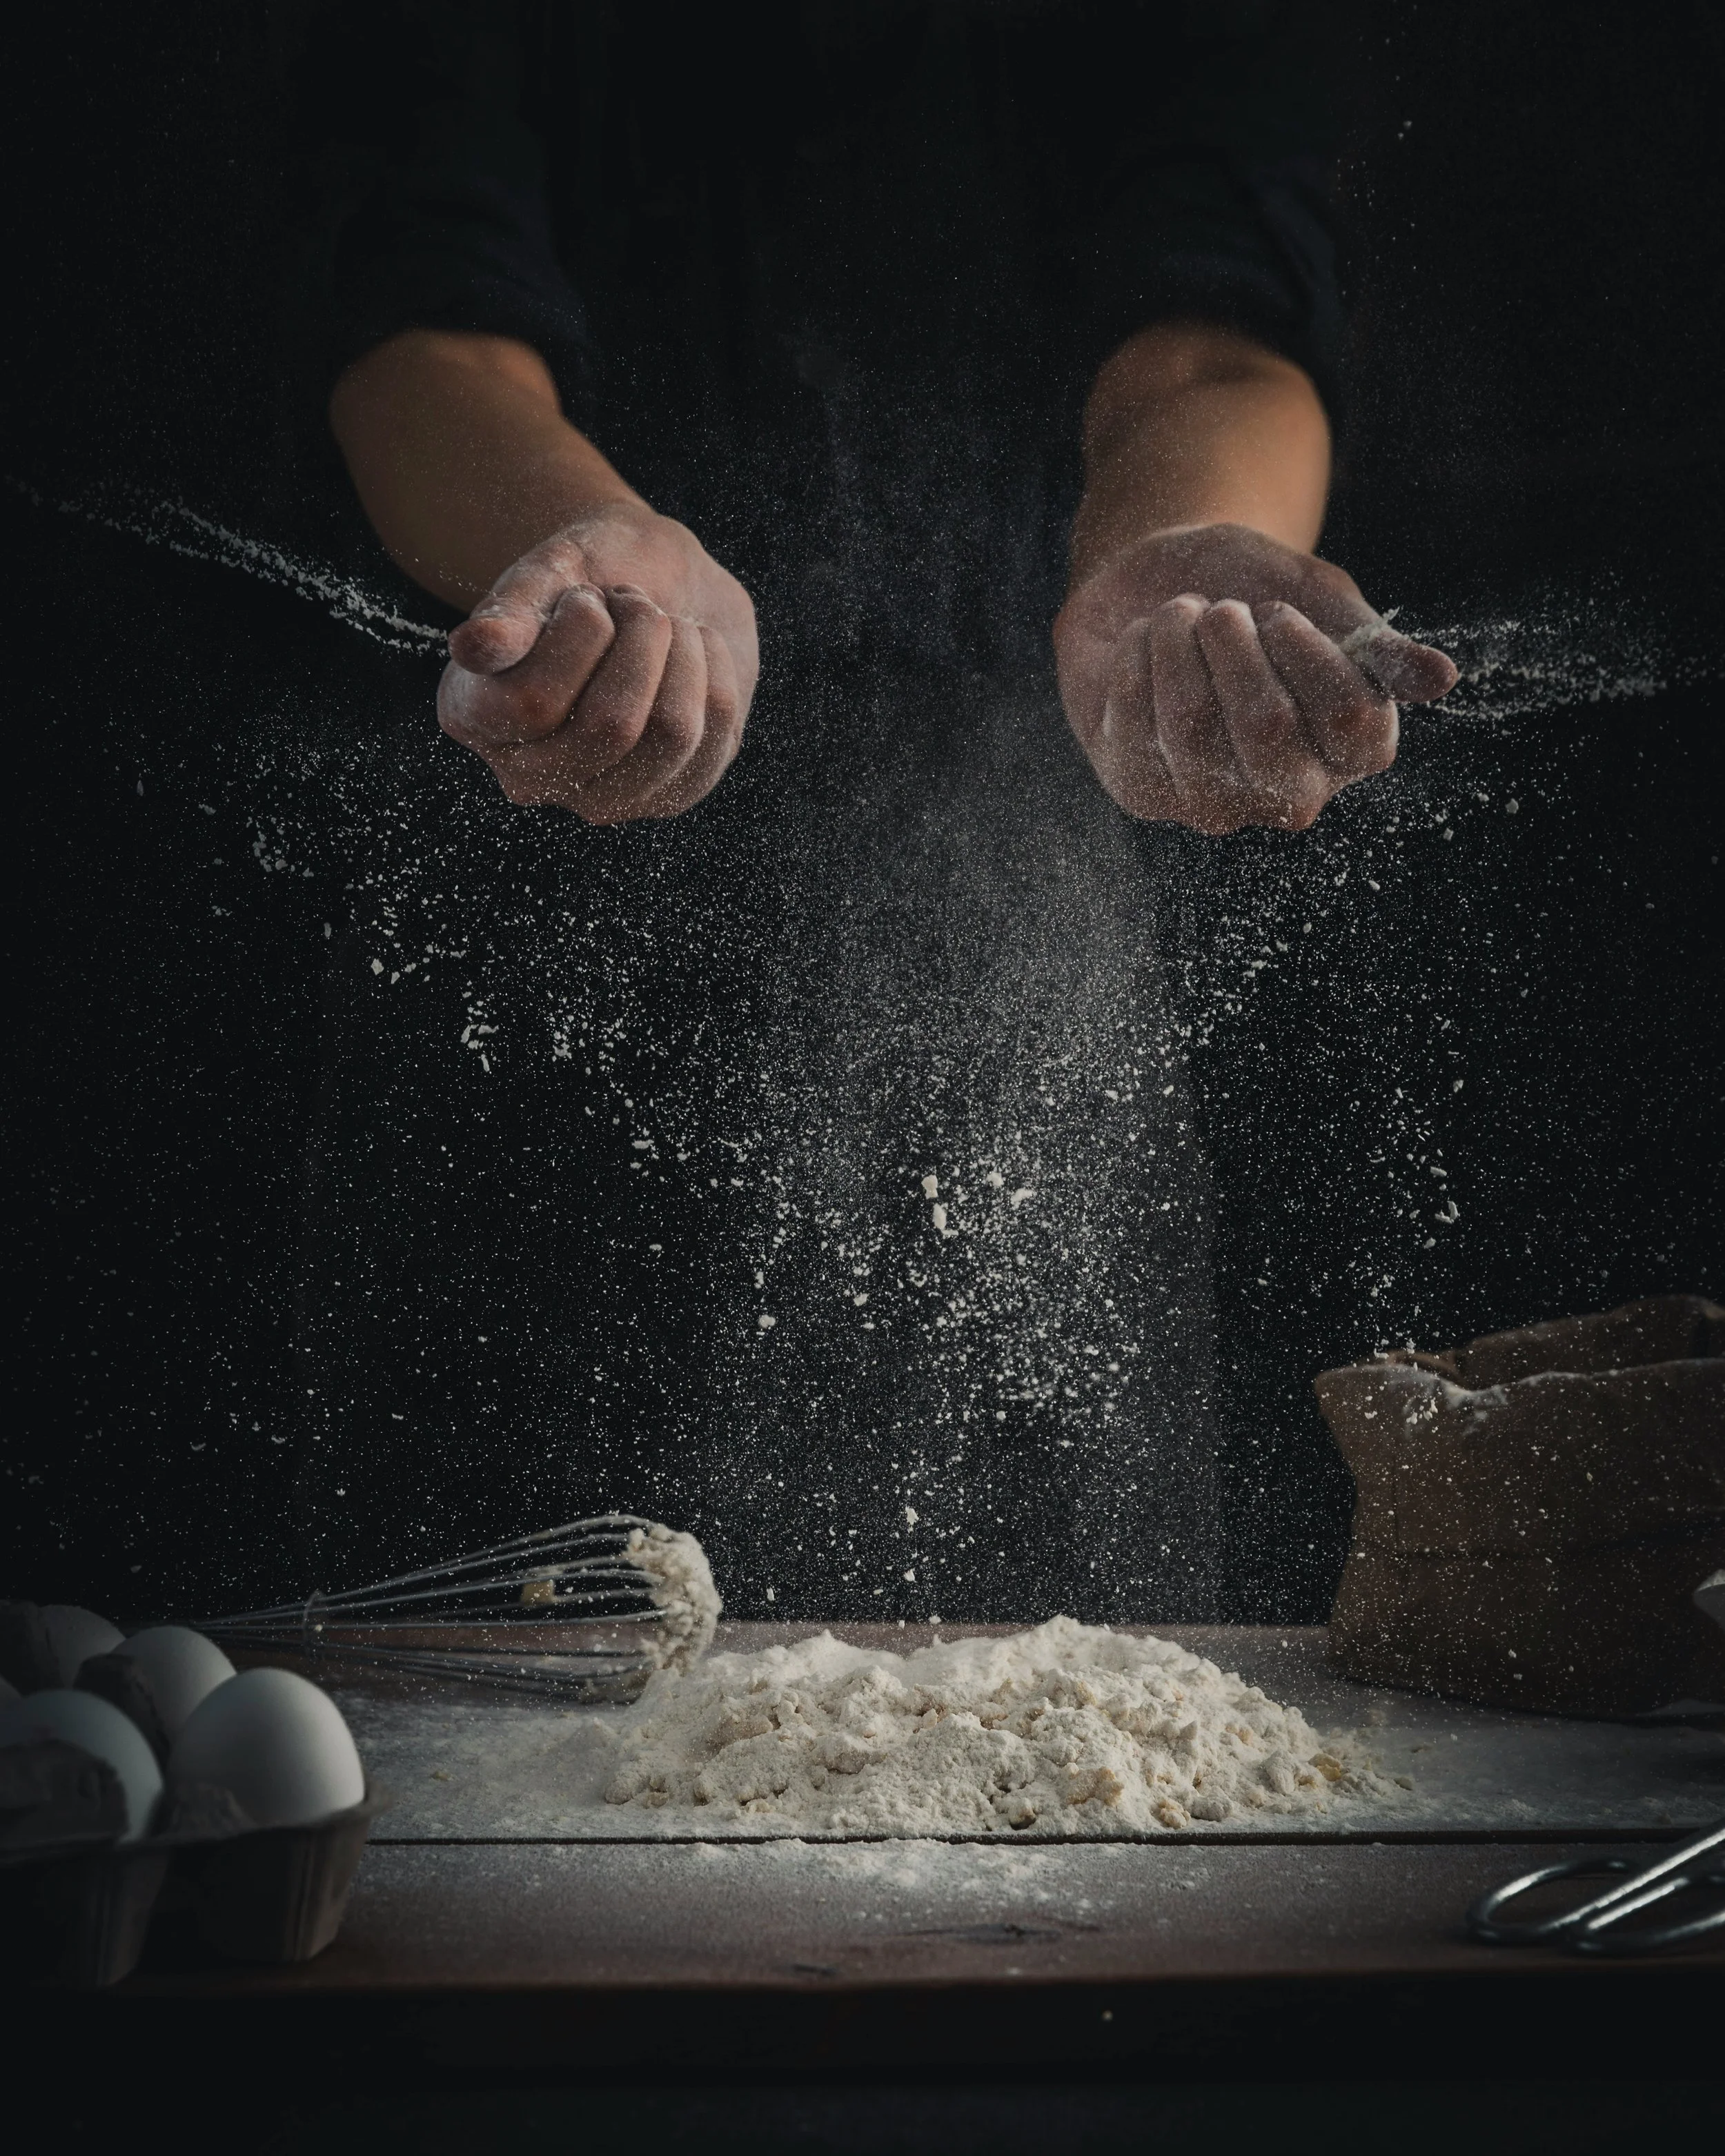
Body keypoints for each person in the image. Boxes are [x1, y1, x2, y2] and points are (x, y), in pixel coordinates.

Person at [306, 0, 1457, 838]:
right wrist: (578, 547)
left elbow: (1217, 341)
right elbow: (426, 329)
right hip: (534, 792)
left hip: (1047, 808)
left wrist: (1178, 551)